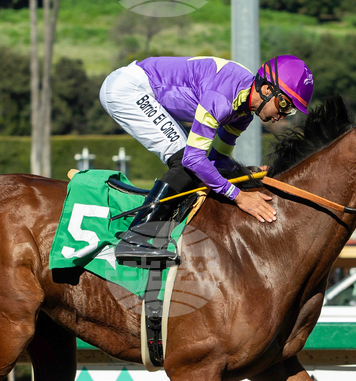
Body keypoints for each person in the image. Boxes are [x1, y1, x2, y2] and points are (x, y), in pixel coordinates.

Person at [98, 55, 314, 266]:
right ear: (267, 89)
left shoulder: (244, 112)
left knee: (191, 163)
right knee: (184, 161)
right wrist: (239, 197)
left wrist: (247, 174)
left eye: (291, 109)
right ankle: (135, 239)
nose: (284, 114)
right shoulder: (224, 96)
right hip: (128, 89)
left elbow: (216, 159)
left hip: (140, 88)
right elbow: (193, 161)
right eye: (285, 104)